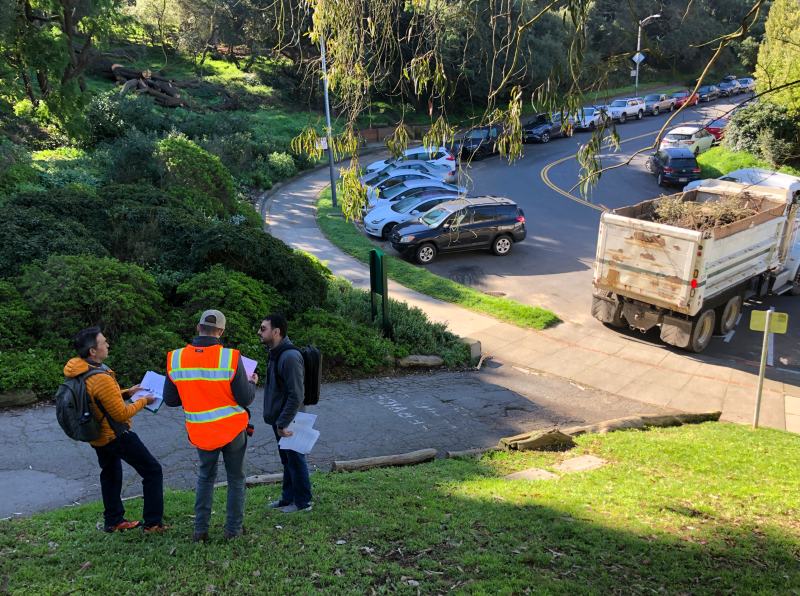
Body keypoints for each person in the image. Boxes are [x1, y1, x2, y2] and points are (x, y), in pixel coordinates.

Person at [64, 327, 170, 534]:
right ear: (93, 351)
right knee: (152, 470)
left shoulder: (81, 370)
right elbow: (121, 414)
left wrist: (128, 392)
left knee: (110, 475)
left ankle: (113, 520)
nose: (107, 345)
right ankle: (153, 524)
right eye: (103, 342)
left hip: (96, 435)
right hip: (114, 435)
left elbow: (99, 399)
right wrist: (143, 401)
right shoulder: (101, 377)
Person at [163, 310, 257, 541]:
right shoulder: (230, 357)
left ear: (198, 328)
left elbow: (171, 400)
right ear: (221, 332)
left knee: (205, 478)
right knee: (236, 479)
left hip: (201, 432)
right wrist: (251, 382)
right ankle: (233, 531)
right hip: (232, 430)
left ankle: (200, 531)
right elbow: (245, 398)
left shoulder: (175, 358)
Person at [257, 314, 312, 513]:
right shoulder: (275, 353)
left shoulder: (289, 356)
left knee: (296, 461)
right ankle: (288, 498)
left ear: (276, 331)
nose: (259, 332)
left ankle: (303, 503)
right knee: (288, 461)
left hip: (291, 421)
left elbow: (296, 395)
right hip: (281, 419)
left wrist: (283, 423)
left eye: (263, 328)